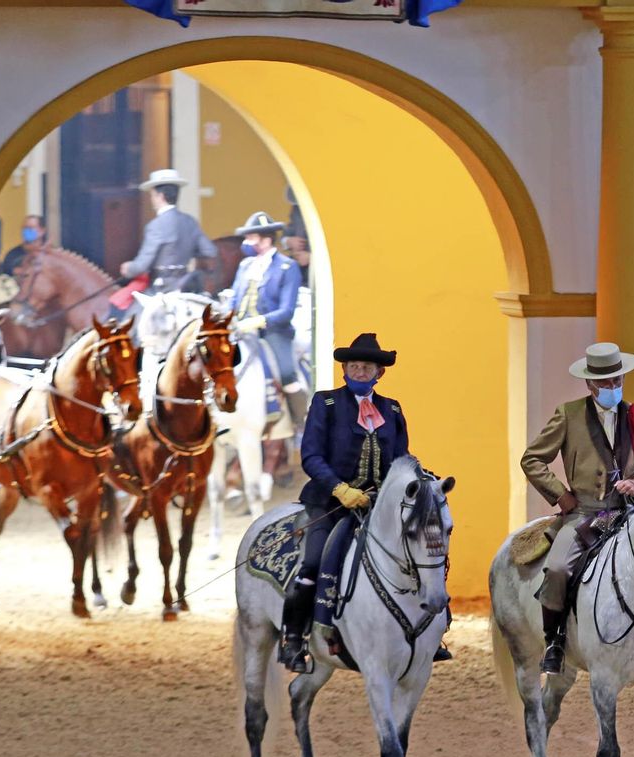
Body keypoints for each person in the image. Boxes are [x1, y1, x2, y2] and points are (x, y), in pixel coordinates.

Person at [279, 334, 448, 672]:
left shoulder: (392, 409)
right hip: (331, 502)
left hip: (379, 505)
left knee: (424, 551)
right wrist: (339, 488)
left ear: (378, 373)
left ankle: (434, 631)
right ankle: (294, 639)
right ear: (344, 369)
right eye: (353, 366)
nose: (358, 371)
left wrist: (416, 475)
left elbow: (400, 459)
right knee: (313, 562)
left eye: (366, 367)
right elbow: (311, 455)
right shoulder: (325, 403)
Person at [520, 342, 634, 675]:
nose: (612, 388)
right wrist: (560, 495)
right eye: (605, 384)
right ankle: (555, 639)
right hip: (586, 514)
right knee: (558, 569)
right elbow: (532, 459)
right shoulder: (568, 415)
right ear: (589, 384)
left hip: (629, 512)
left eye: (617, 381)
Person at [226, 211, 307, 425]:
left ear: (265, 239)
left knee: (287, 373)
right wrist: (226, 317)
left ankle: (302, 424)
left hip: (273, 331)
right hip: (240, 329)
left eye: (251, 238)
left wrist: (258, 321)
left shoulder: (287, 267)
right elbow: (234, 297)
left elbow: (286, 311)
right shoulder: (245, 266)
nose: (246, 242)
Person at [114, 168, 217, 322]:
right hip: (185, 285)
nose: (152, 199)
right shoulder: (189, 221)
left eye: (153, 195)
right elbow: (209, 251)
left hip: (160, 288)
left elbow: (142, 265)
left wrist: (129, 268)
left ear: (160, 196)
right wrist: (187, 248)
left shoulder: (156, 225)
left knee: (126, 322)